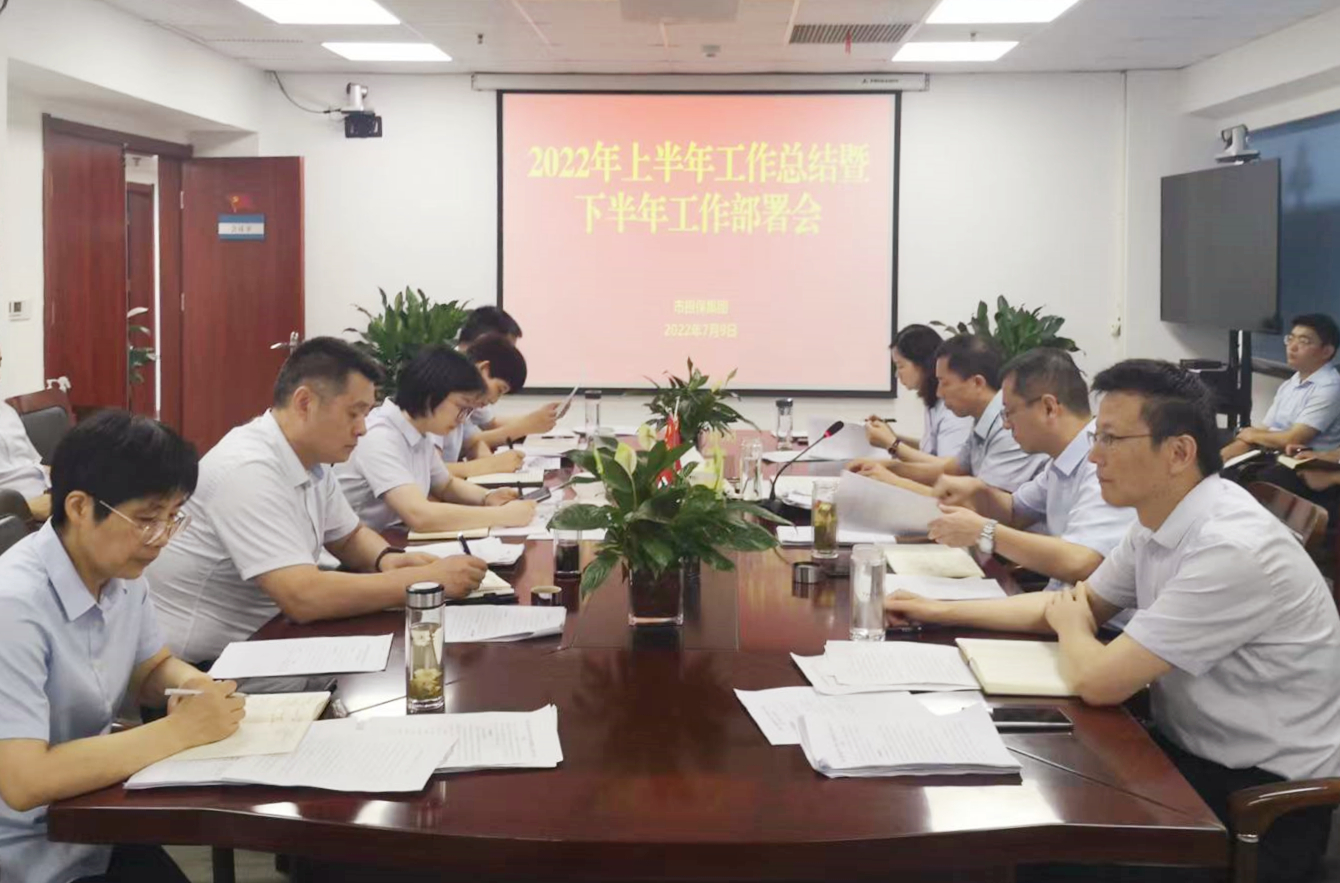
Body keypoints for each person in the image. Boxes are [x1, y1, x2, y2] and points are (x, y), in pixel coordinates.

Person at [888, 359, 1340, 883]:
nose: (1094, 456)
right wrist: (935, 610)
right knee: (1011, 799)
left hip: (1256, 809)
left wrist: (1073, 625)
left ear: (1178, 453)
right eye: (1096, 437)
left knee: (1028, 851)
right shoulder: (1160, 519)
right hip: (1181, 756)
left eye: (1111, 439)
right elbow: (1073, 603)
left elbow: (1099, 679)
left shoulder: (1229, 547)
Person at [0, 411, 245, 883]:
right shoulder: (13, 606)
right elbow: (25, 781)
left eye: (173, 517)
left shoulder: (121, 571)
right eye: (147, 519)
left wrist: (194, 684)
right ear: (78, 507)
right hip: (28, 853)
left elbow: (149, 668)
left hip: (94, 821)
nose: (161, 538)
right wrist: (181, 731)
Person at [147, 337, 487, 665]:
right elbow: (303, 597)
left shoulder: (311, 459)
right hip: (211, 665)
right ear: (304, 403)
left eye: (367, 414)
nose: (363, 429)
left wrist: (387, 559)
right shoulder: (248, 469)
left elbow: (349, 536)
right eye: (354, 413)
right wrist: (424, 582)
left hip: (273, 637)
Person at [924, 348, 1136, 599]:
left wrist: (984, 532)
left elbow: (1081, 561)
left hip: (1089, 617)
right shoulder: (1061, 460)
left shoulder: (1100, 463)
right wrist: (980, 491)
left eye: (1009, 412)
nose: (1005, 424)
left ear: (1049, 407)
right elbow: (1016, 512)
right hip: (1058, 604)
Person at [337, 345, 537, 533]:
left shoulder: (419, 431)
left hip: (390, 537)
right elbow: (419, 515)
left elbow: (445, 485)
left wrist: (487, 497)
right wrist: (501, 516)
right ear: (431, 395)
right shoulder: (379, 437)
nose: (462, 420)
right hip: (361, 550)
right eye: (462, 408)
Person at [849, 334, 1048, 494]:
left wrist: (893, 479)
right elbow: (950, 470)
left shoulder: (1008, 428)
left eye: (944, 383)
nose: (939, 393)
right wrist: (887, 467)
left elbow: (982, 506)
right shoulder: (983, 419)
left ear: (977, 383)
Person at [1222, 314, 1340, 461]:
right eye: (1290, 339)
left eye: (1303, 341)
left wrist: (1252, 435)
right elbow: (1266, 428)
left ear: (1326, 351)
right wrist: (1244, 440)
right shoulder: (1291, 383)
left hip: (1303, 463)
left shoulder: (1330, 387)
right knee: (1214, 447)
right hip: (1274, 453)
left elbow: (1294, 439)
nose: (1292, 347)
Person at [455, 307, 561, 454]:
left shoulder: (472, 385)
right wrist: (526, 426)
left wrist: (537, 420)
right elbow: (466, 443)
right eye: (506, 348)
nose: (510, 356)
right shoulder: (449, 382)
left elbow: (482, 431)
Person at [864, 324, 972, 458]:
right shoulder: (932, 401)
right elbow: (926, 452)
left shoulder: (953, 407)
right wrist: (889, 437)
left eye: (900, 366)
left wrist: (891, 443)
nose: (897, 374)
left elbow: (945, 466)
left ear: (923, 363)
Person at [442, 333, 535, 478]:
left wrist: (492, 465)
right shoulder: (441, 397)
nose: (494, 401)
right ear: (483, 369)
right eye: (499, 390)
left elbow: (473, 442)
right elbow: (430, 472)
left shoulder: (464, 403)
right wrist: (490, 465)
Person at [0, 344, 52, 521]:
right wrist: (26, 508)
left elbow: (32, 464)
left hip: (49, 497)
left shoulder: (6, 411)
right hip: (17, 518)